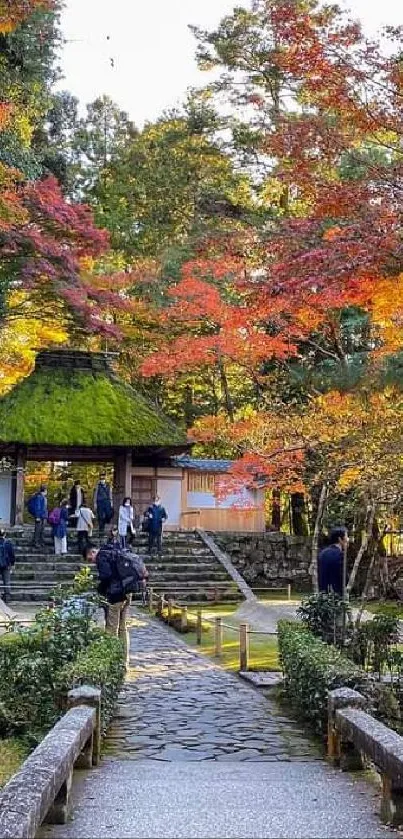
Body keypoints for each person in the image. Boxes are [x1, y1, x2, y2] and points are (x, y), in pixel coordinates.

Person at [83, 543, 132, 667]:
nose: (92, 562)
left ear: (92, 552)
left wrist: (100, 589)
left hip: (116, 595)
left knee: (111, 629)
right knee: (123, 628)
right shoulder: (113, 551)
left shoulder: (101, 556)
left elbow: (106, 576)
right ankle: (124, 661)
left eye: (90, 559)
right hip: (128, 591)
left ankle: (111, 662)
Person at [318, 526, 349, 597]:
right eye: (346, 537)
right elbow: (343, 577)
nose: (348, 539)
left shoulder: (322, 553)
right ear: (340, 539)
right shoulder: (340, 555)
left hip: (323, 594)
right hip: (336, 594)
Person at [93, 473, 113, 539]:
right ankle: (101, 530)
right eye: (101, 479)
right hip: (100, 501)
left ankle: (106, 522)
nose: (102, 480)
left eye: (103, 478)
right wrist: (95, 503)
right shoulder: (98, 486)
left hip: (107, 501)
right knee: (100, 516)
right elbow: (95, 495)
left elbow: (110, 494)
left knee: (108, 514)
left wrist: (111, 502)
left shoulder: (108, 485)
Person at [0, 528, 15, 603]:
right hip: (6, 565)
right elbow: (12, 555)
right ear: (4, 534)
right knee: (7, 581)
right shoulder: (8, 543)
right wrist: (12, 564)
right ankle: (7, 597)